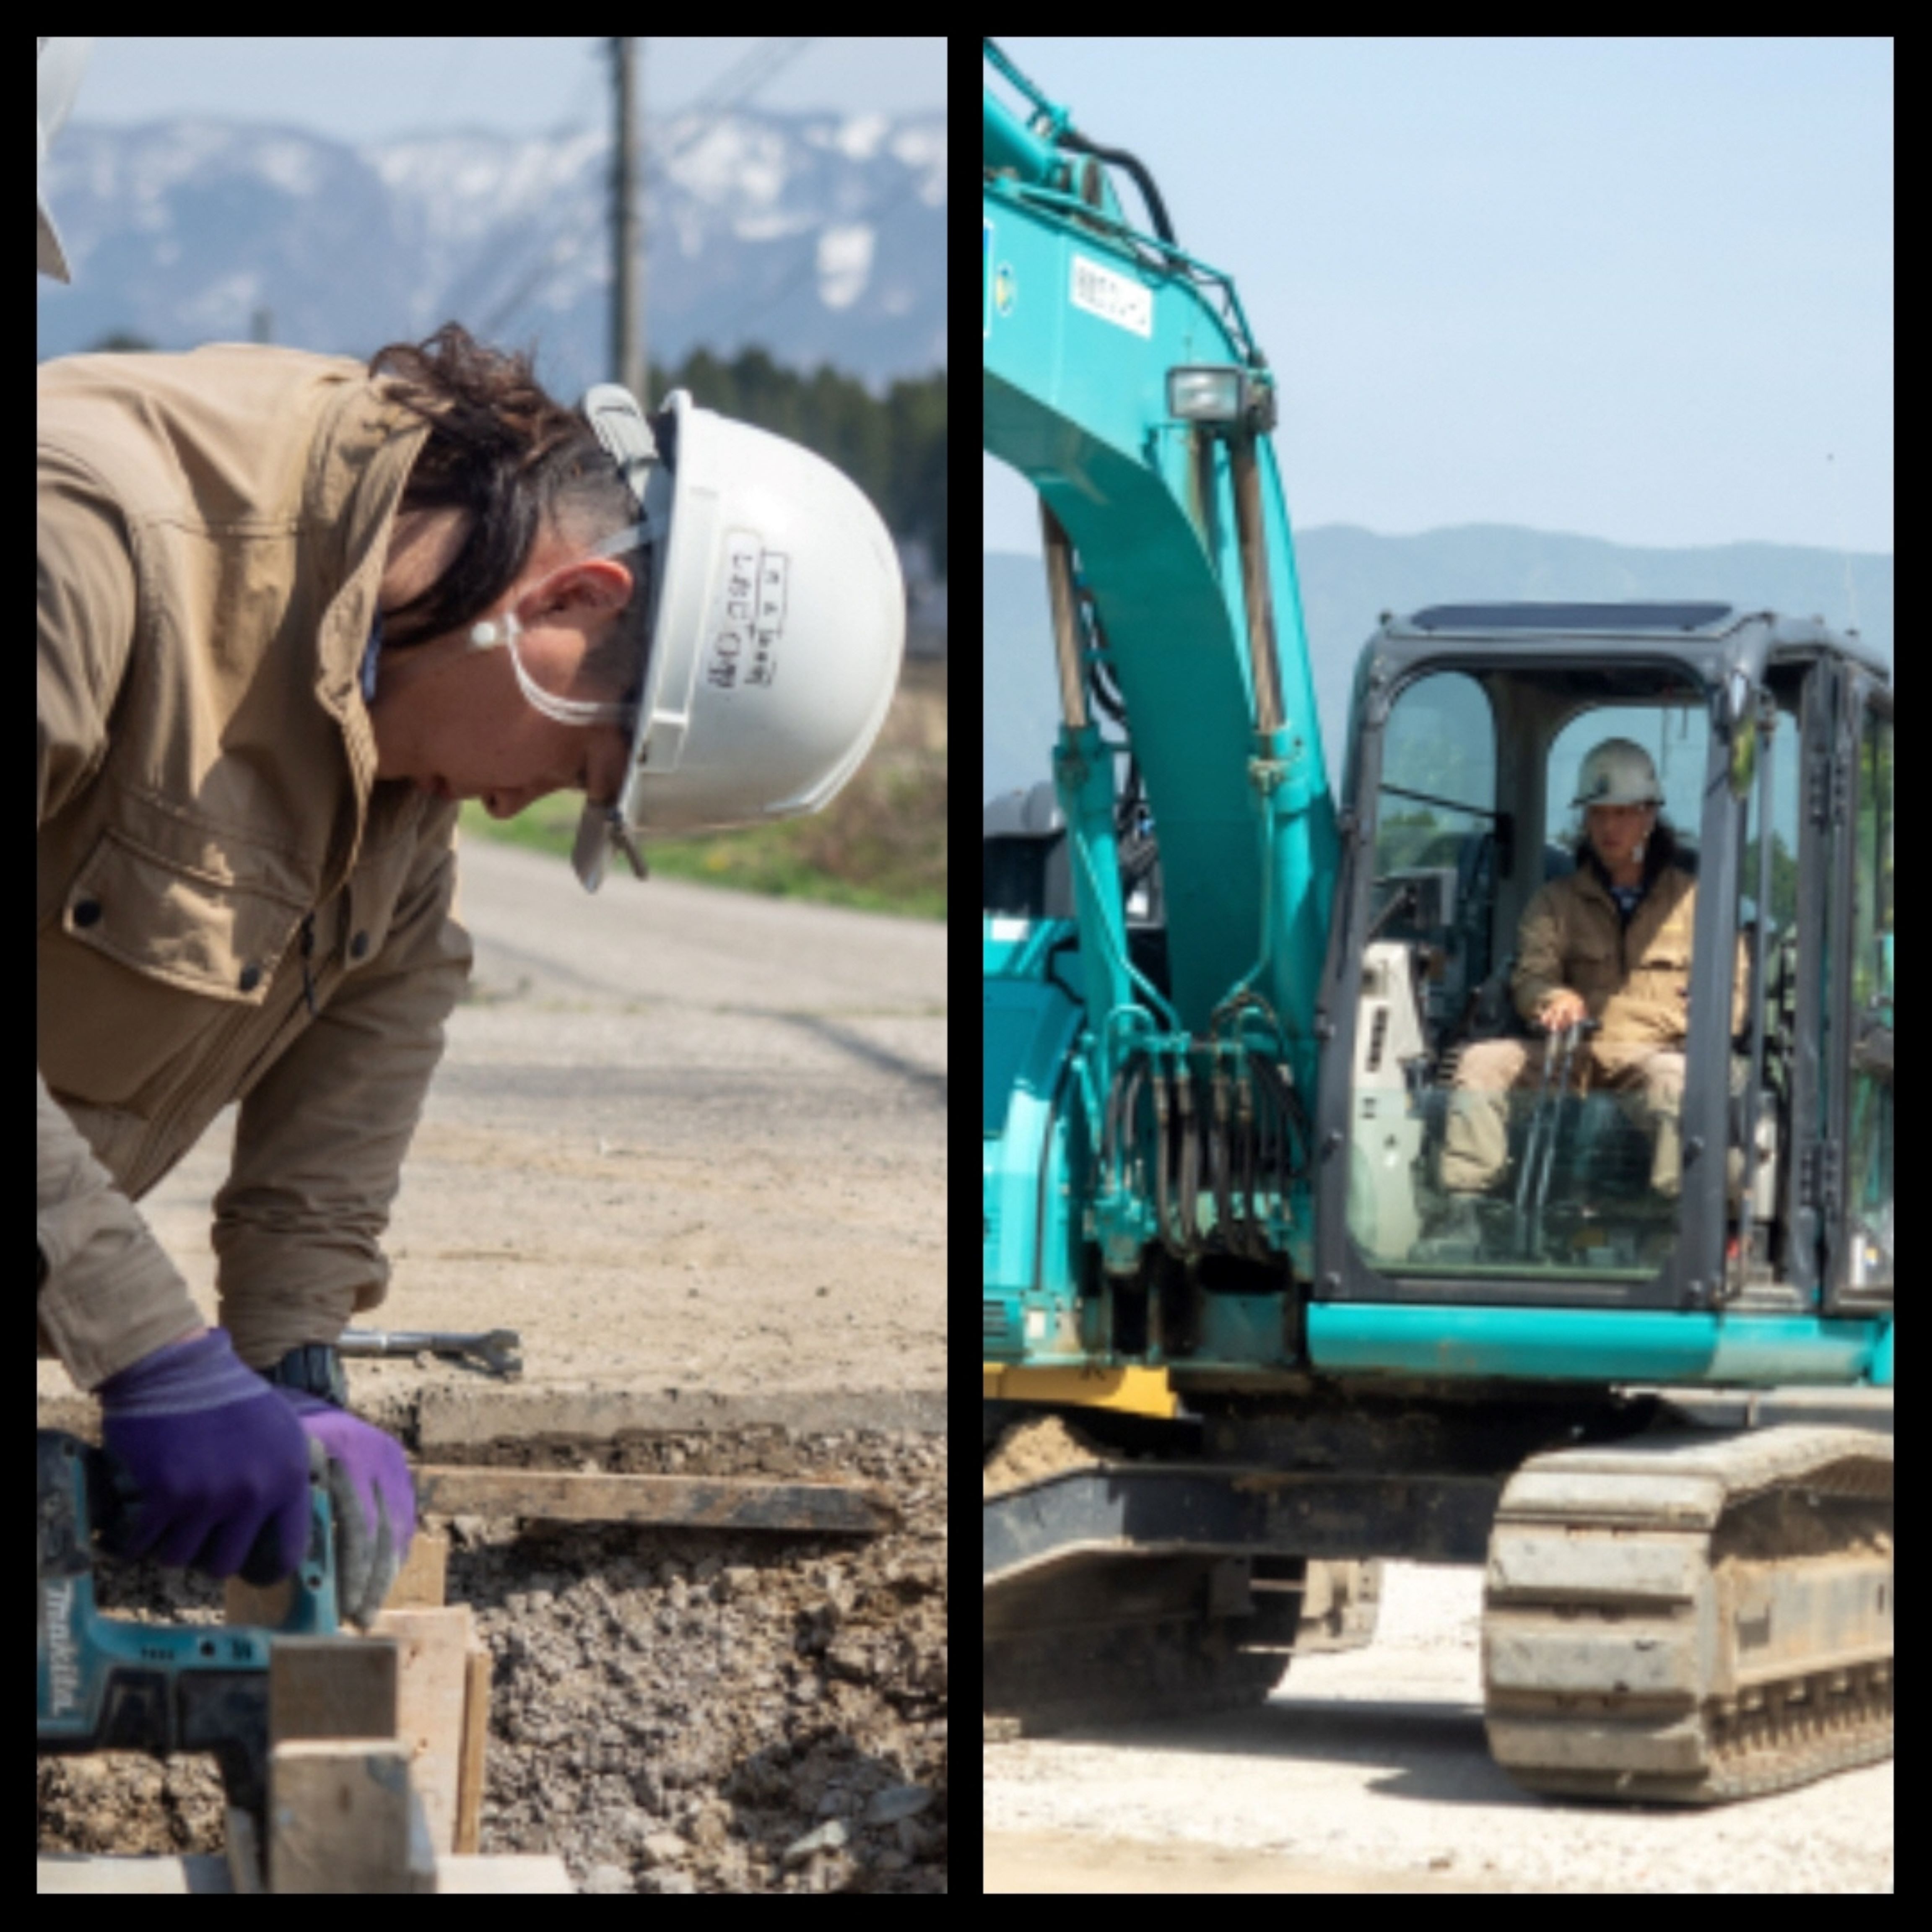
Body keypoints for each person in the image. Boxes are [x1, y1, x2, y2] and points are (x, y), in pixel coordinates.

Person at [37, 323, 904, 1622]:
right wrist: (149, 1350)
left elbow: (372, 1023)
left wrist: (288, 1363)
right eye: (577, 771)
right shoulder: (89, 544)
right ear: (569, 603)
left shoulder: (397, 706)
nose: (511, 804)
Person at [1438, 738, 1748, 1220]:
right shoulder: (1555, 902)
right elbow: (1531, 976)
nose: (1609, 827)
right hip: (1574, 1055)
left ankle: (1678, 1226)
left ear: (1649, 816)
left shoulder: (1698, 903)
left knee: (1678, 1082)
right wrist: (1553, 997)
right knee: (1481, 1064)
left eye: (1622, 813)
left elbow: (1732, 1000)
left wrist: (1699, 1014)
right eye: (1598, 813)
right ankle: (1464, 1213)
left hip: (1655, 1058)